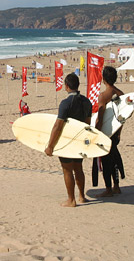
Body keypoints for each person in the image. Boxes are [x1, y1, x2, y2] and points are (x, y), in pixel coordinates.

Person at [45, 73, 92, 207]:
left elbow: (57, 126)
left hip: (67, 141)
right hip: (80, 140)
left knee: (67, 169)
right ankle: (82, 196)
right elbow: (88, 124)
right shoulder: (87, 101)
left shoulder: (65, 103)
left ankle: (71, 200)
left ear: (66, 86)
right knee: (79, 168)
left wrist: (50, 146)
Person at [95, 66, 125, 197]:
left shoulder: (103, 95)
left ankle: (108, 189)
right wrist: (119, 133)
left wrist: (97, 132)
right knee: (114, 159)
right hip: (116, 132)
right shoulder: (121, 94)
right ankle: (116, 186)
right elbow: (123, 116)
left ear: (104, 79)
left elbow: (100, 117)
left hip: (106, 133)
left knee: (106, 161)